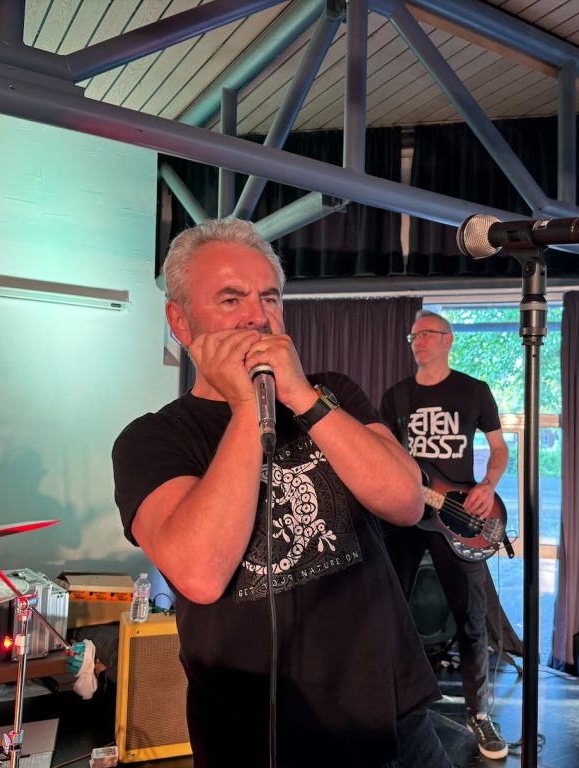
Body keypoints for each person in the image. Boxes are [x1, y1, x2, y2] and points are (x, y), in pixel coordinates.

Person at [112, 218, 451, 768]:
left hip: (393, 718)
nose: (257, 315)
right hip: (256, 738)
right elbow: (199, 572)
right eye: (231, 299)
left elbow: (406, 501)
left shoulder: (332, 392)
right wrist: (247, 407)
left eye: (269, 297)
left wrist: (302, 397)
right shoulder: (152, 440)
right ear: (180, 321)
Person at [380, 310, 511, 761]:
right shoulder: (396, 396)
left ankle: (480, 714)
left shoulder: (474, 391)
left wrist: (487, 486)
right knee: (389, 610)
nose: (417, 340)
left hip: (457, 516)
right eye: (413, 335)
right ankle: (391, 703)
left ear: (448, 340)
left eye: (427, 334)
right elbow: (383, 454)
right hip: (405, 513)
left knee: (472, 618)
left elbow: (498, 448)